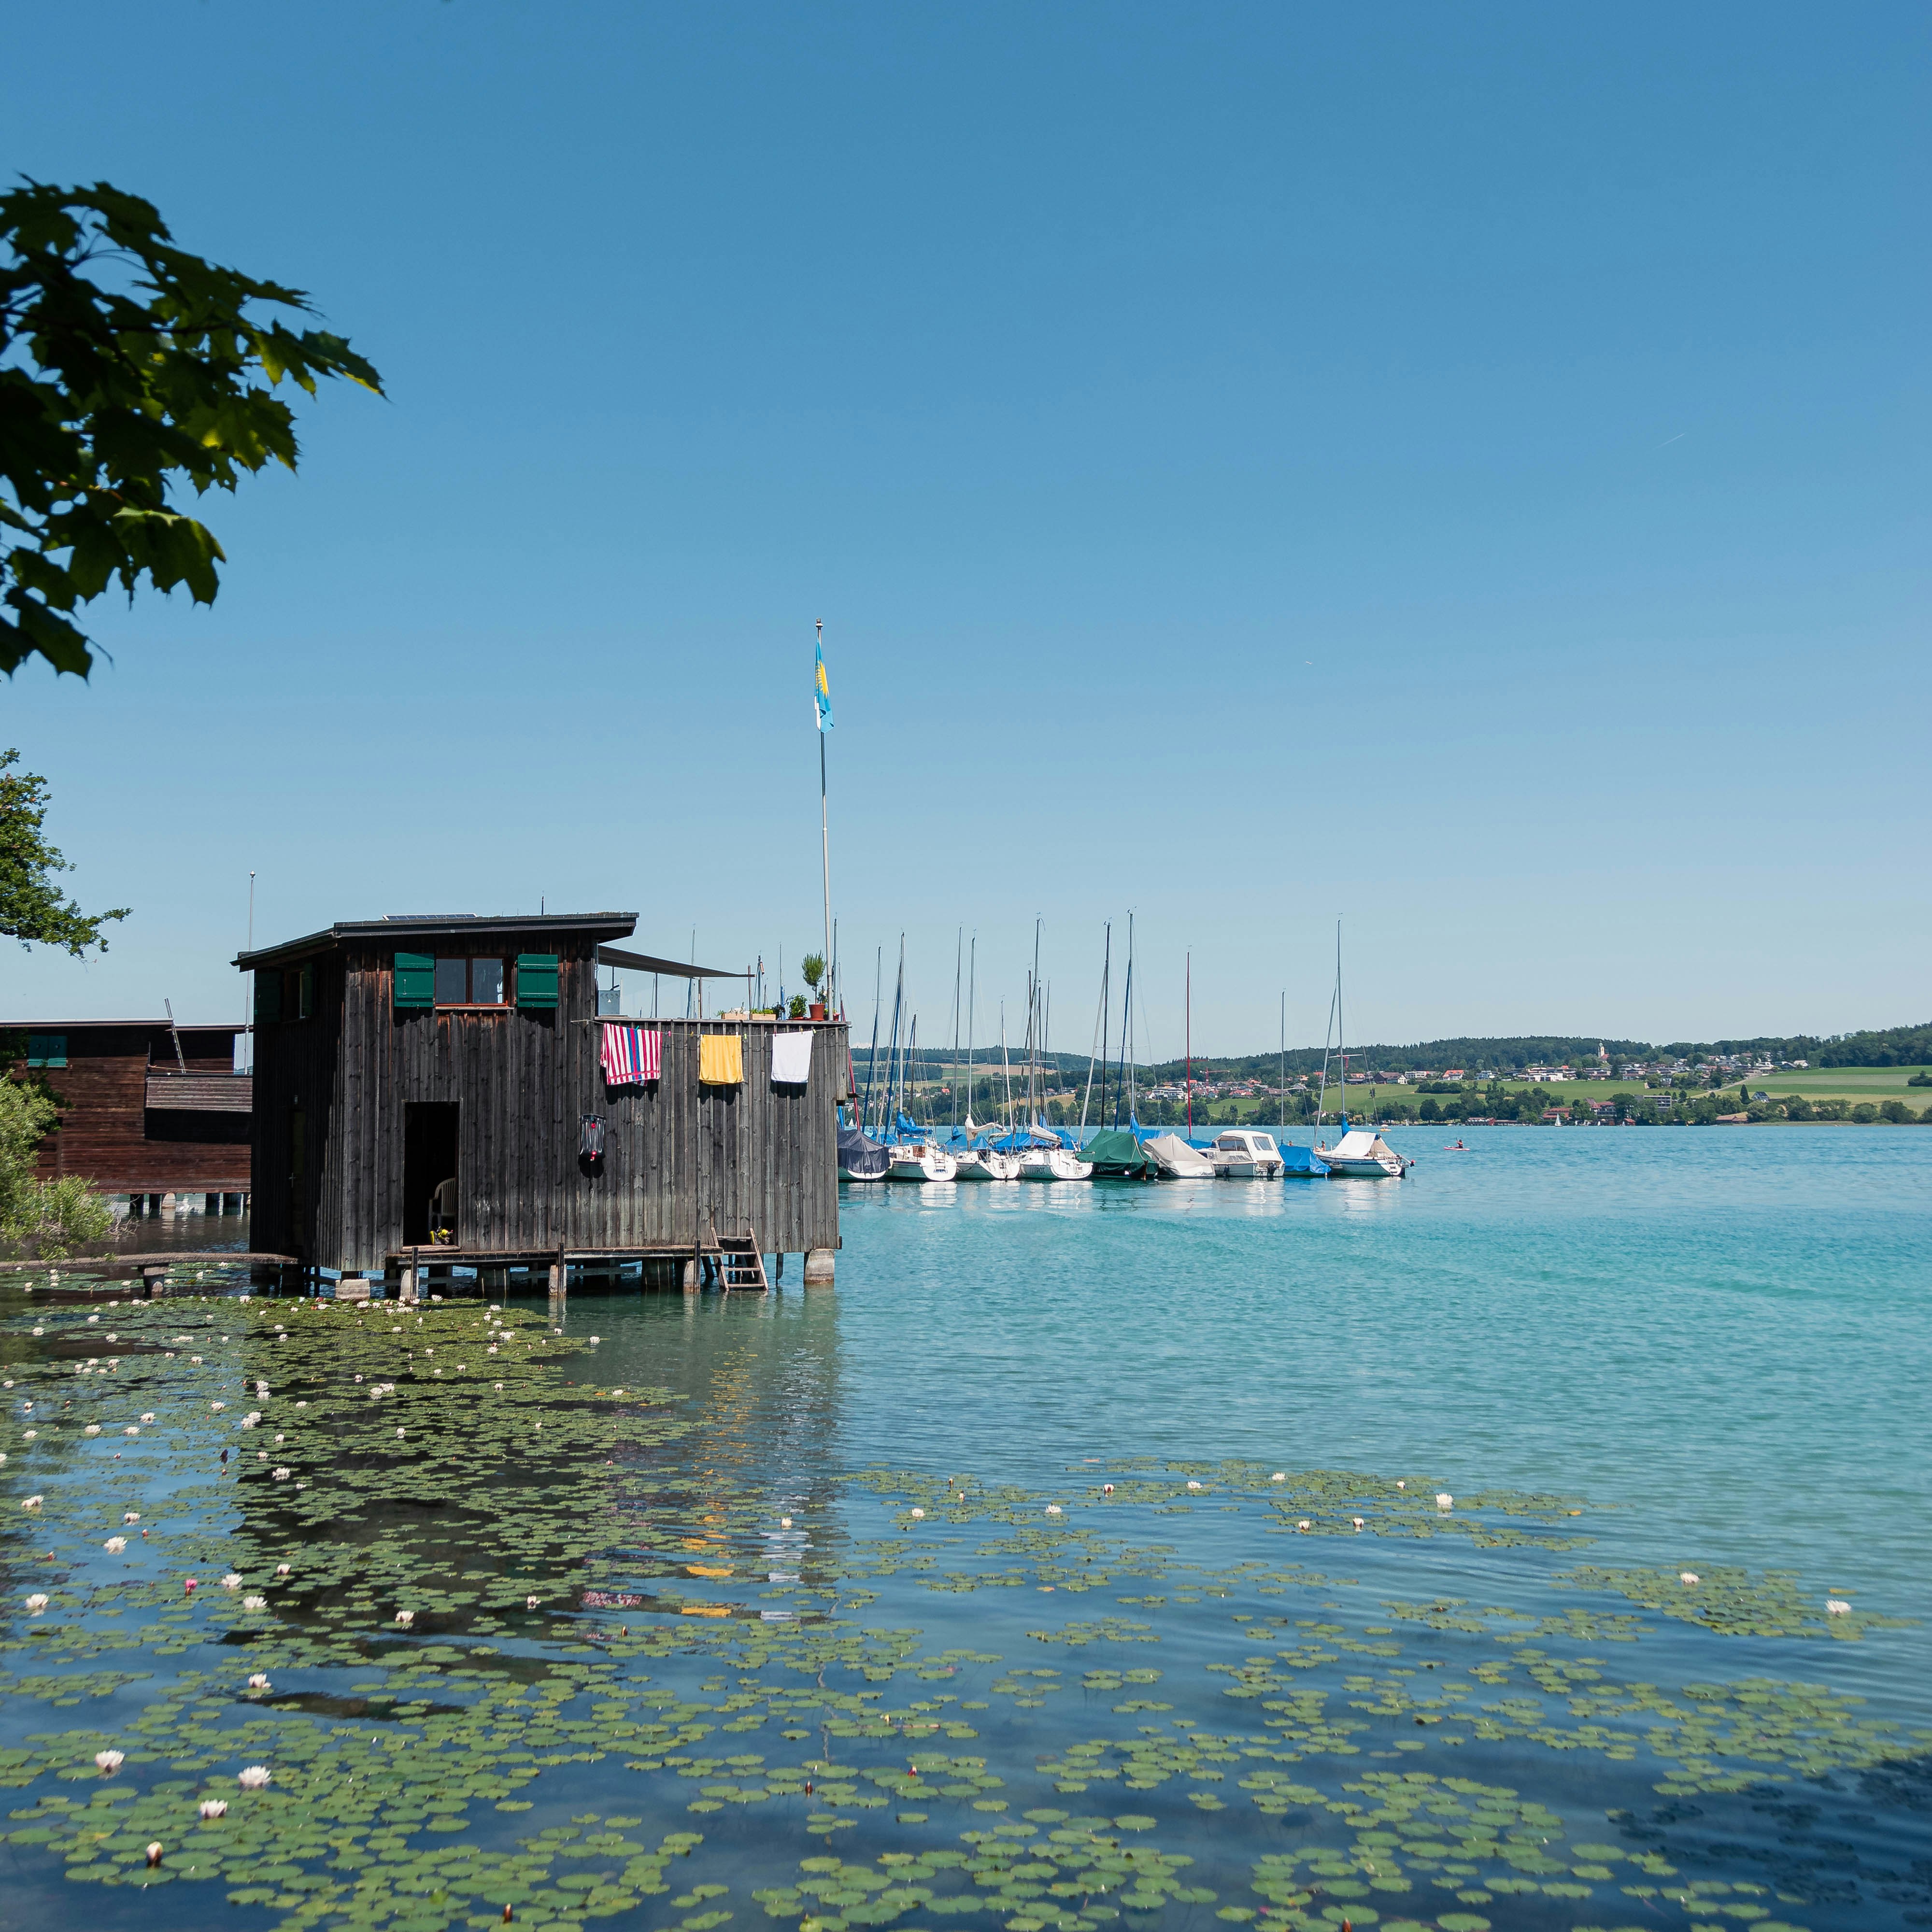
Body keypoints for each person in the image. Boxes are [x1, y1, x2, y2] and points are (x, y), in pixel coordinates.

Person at [430, 1175, 457, 1244]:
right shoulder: (458, 1183)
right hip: (456, 1210)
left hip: (444, 1210)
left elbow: (435, 1197)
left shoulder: (443, 1185)